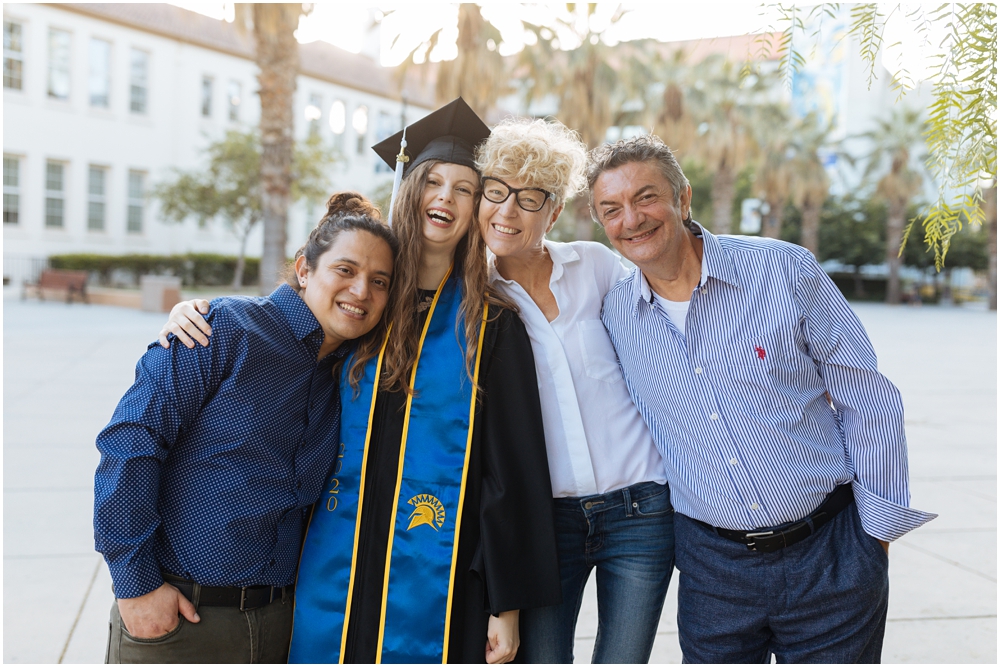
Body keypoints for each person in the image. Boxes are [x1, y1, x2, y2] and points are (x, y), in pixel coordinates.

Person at [158, 98, 561, 664]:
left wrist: (507, 604)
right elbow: (279, 334)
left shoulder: (490, 324)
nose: (444, 197)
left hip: (442, 576)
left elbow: (512, 470)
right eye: (432, 181)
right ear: (409, 188)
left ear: (477, 209)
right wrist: (196, 313)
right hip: (330, 560)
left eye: (465, 188)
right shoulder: (362, 305)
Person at [591, 134, 936, 663]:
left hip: (831, 552)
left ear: (683, 199)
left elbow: (867, 396)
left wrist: (875, 540)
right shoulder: (616, 314)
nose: (631, 219)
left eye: (645, 197)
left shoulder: (784, 270)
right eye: (610, 209)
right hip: (713, 571)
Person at [93, 195, 398, 663]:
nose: (361, 291)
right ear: (304, 269)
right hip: (178, 622)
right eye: (345, 270)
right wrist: (137, 589)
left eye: (379, 281)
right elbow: (130, 445)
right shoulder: (222, 328)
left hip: (278, 628)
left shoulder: (350, 375)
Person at [474, 118, 673, 663]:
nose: (508, 211)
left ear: (555, 211)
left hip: (640, 511)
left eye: (530, 198)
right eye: (496, 192)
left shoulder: (597, 267)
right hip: (545, 522)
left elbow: (675, 317)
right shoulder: (470, 300)